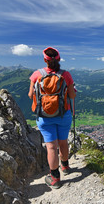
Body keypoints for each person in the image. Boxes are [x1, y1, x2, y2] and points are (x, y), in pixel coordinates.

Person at [28, 47, 76, 189]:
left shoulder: (36, 75)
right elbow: (72, 96)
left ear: (45, 60)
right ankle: (66, 167)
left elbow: (31, 95)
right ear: (59, 59)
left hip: (44, 116)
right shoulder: (66, 75)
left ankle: (55, 178)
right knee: (63, 142)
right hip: (63, 114)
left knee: (51, 147)